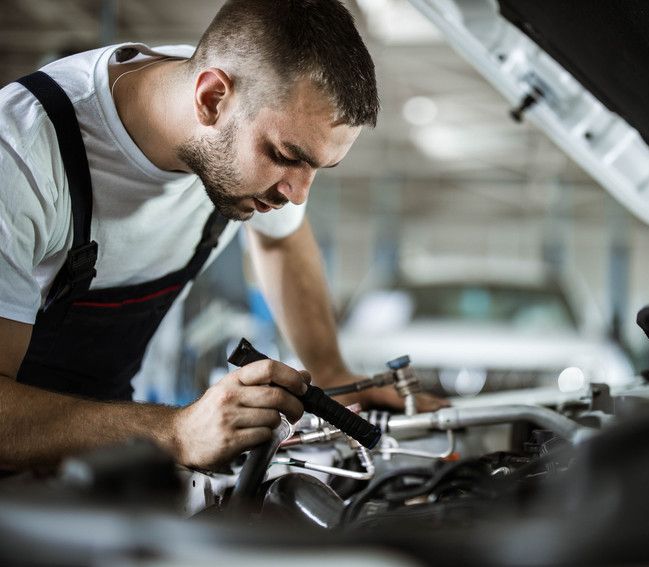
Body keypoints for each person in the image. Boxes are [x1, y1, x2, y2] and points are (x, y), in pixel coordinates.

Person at [0, 0, 444, 472]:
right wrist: (173, 431)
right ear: (210, 99)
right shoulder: (21, 157)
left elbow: (282, 239)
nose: (296, 194)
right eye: (286, 155)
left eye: (317, 167)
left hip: (104, 452)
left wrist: (331, 371)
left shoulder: (254, 109)